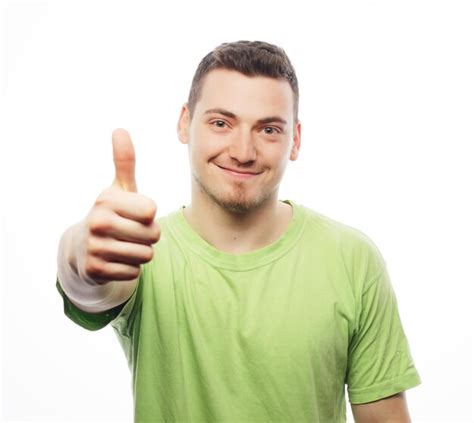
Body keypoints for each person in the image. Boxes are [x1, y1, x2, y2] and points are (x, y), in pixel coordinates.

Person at [56, 40, 421, 422]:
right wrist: (78, 252)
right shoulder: (142, 251)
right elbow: (90, 291)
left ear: (294, 140)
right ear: (185, 123)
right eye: (221, 123)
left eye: (268, 129)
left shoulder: (353, 258)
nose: (243, 150)